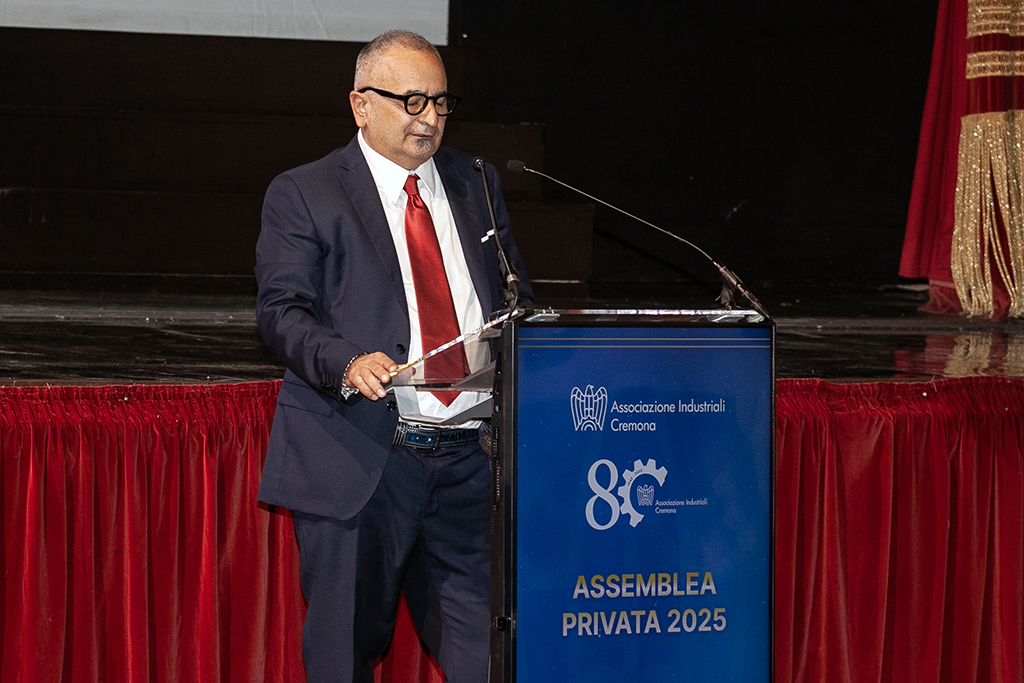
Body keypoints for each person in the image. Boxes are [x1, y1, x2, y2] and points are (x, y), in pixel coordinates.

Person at [254, 29, 533, 683]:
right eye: (411, 101)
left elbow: (514, 296)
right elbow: (282, 312)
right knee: (342, 657)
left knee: (489, 660)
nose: (428, 118)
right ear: (361, 105)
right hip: (363, 457)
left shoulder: (476, 181)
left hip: (470, 461)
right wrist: (346, 361)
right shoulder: (305, 192)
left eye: (440, 102)